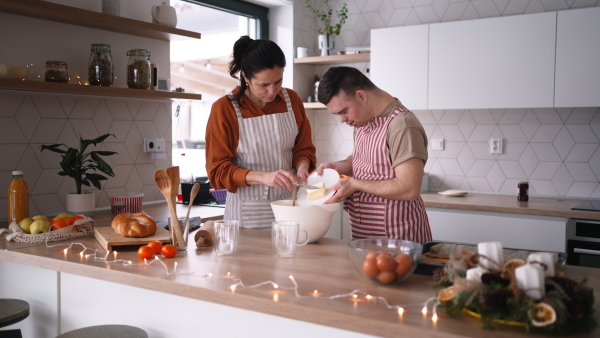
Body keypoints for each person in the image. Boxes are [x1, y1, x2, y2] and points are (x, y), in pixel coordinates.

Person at [205, 36, 316, 228]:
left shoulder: (293, 100)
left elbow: (303, 148)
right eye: (263, 85)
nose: (272, 91)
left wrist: (302, 166)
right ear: (246, 78)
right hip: (246, 215)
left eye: (278, 81)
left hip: (290, 207)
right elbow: (217, 172)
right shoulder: (224, 109)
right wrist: (264, 177)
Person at [316, 66, 431, 243]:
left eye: (343, 111)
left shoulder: (402, 125)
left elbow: (409, 188)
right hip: (366, 237)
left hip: (399, 239)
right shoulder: (362, 120)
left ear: (361, 96)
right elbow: (362, 159)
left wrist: (355, 184)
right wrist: (341, 166)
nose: (342, 120)